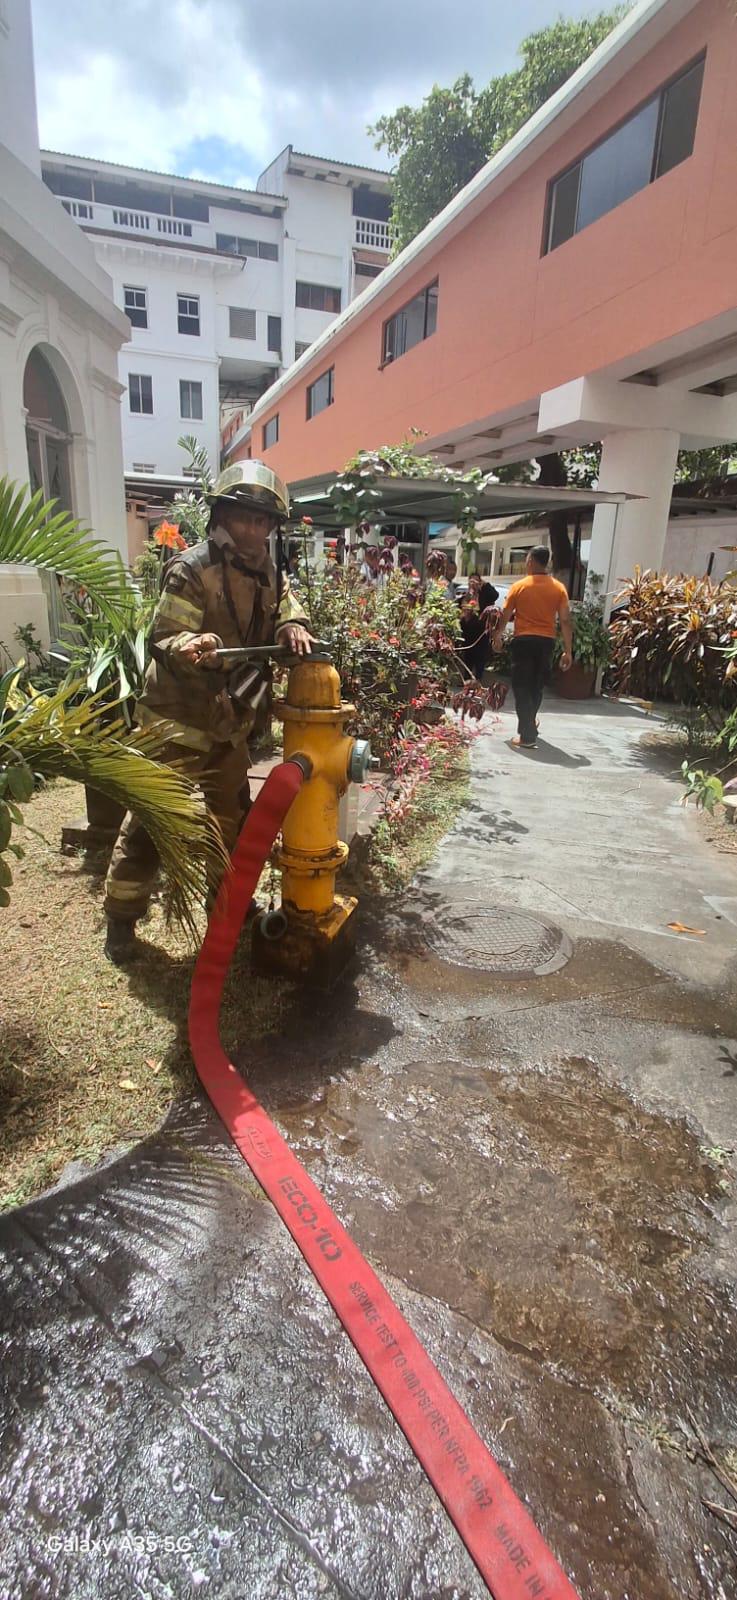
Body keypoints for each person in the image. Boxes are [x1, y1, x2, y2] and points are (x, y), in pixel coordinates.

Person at [103, 461, 312, 964]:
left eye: (264, 521)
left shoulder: (269, 568)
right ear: (222, 515)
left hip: (228, 723)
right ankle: (121, 921)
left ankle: (228, 908)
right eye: (245, 517)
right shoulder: (191, 568)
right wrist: (191, 643)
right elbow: (164, 637)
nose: (255, 529)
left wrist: (292, 625)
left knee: (231, 823)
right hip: (176, 720)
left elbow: (286, 601)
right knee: (152, 823)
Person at [491, 545, 571, 748]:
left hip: (524, 641)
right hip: (547, 642)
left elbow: (506, 614)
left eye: (527, 559)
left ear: (532, 561)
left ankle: (527, 736)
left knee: (521, 686)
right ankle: (530, 720)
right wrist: (568, 650)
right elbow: (565, 621)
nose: (526, 563)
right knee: (536, 685)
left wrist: (498, 635)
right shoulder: (558, 588)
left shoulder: (519, 586)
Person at [460, 581, 499, 682]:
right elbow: (460, 609)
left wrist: (486, 584)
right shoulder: (466, 595)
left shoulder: (485, 595)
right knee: (468, 656)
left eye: (476, 581)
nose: (473, 584)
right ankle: (467, 679)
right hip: (468, 632)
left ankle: (478, 680)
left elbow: (495, 595)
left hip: (481, 632)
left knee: (480, 657)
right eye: (471, 581)